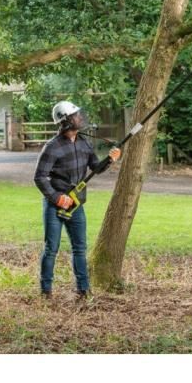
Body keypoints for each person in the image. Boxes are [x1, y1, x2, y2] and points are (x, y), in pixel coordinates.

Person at [33, 101, 121, 302]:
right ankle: (46, 292)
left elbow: (96, 168)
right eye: (75, 116)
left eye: (79, 115)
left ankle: (83, 290)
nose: (80, 118)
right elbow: (39, 177)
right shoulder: (52, 147)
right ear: (64, 121)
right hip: (55, 205)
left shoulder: (84, 142)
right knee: (51, 249)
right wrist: (56, 197)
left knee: (80, 248)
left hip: (76, 204)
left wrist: (110, 159)